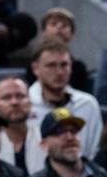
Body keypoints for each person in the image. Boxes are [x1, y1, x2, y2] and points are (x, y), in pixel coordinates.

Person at [29, 38, 103, 169]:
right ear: (35, 69)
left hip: (80, 176)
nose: (59, 72)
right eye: (51, 65)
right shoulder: (24, 105)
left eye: (64, 65)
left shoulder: (88, 104)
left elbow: (94, 151)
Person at [24, 8, 90, 94]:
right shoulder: (33, 64)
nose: (59, 27)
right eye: (53, 24)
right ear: (44, 31)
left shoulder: (78, 67)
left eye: (65, 25)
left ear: (72, 34)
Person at [0, 76, 39, 175]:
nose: (14, 102)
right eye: (6, 97)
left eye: (20, 96)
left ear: (30, 101)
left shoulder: (46, 137)